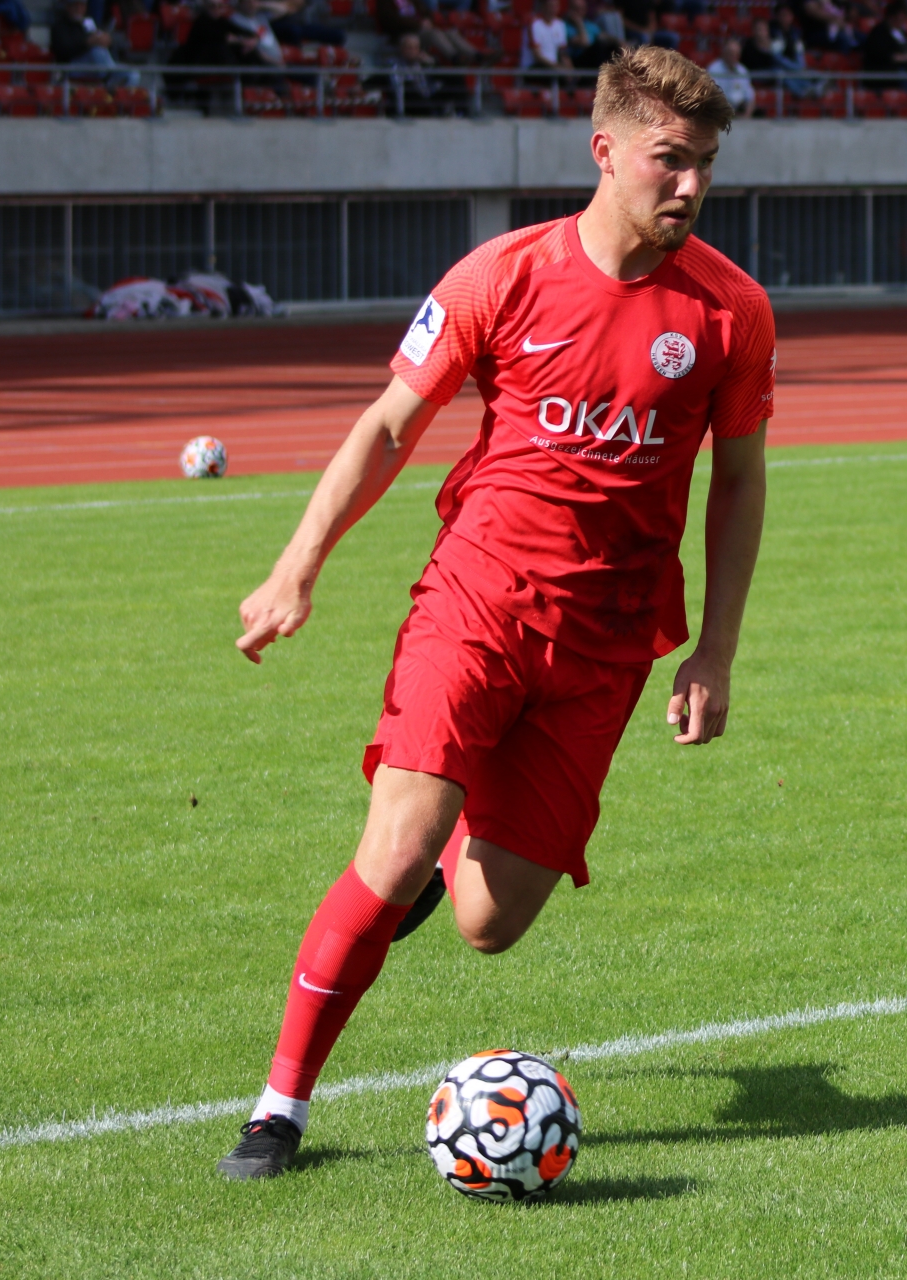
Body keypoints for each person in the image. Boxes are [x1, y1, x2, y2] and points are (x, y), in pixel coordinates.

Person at [214, 44, 774, 1182]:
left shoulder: (732, 310)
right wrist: (297, 565)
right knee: (395, 847)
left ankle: (437, 857)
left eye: (706, 164)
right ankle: (279, 1109)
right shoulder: (501, 276)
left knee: (487, 921)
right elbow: (388, 426)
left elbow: (741, 481)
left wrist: (715, 649)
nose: (691, 186)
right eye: (670, 160)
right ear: (604, 150)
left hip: (608, 642)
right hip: (477, 601)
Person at [707, 33, 751, 112]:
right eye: (731, 53)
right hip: (719, 111)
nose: (734, 57)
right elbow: (712, 97)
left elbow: (750, 97)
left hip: (739, 111)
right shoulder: (714, 69)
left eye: (736, 54)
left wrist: (746, 116)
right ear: (724, 53)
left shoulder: (743, 71)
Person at [524, 0, 570, 66]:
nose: (553, 9)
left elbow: (563, 52)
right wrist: (557, 68)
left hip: (553, 66)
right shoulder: (533, 24)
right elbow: (537, 56)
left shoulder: (560, 24)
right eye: (550, 6)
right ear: (543, 6)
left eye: (556, 6)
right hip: (534, 66)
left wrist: (570, 69)